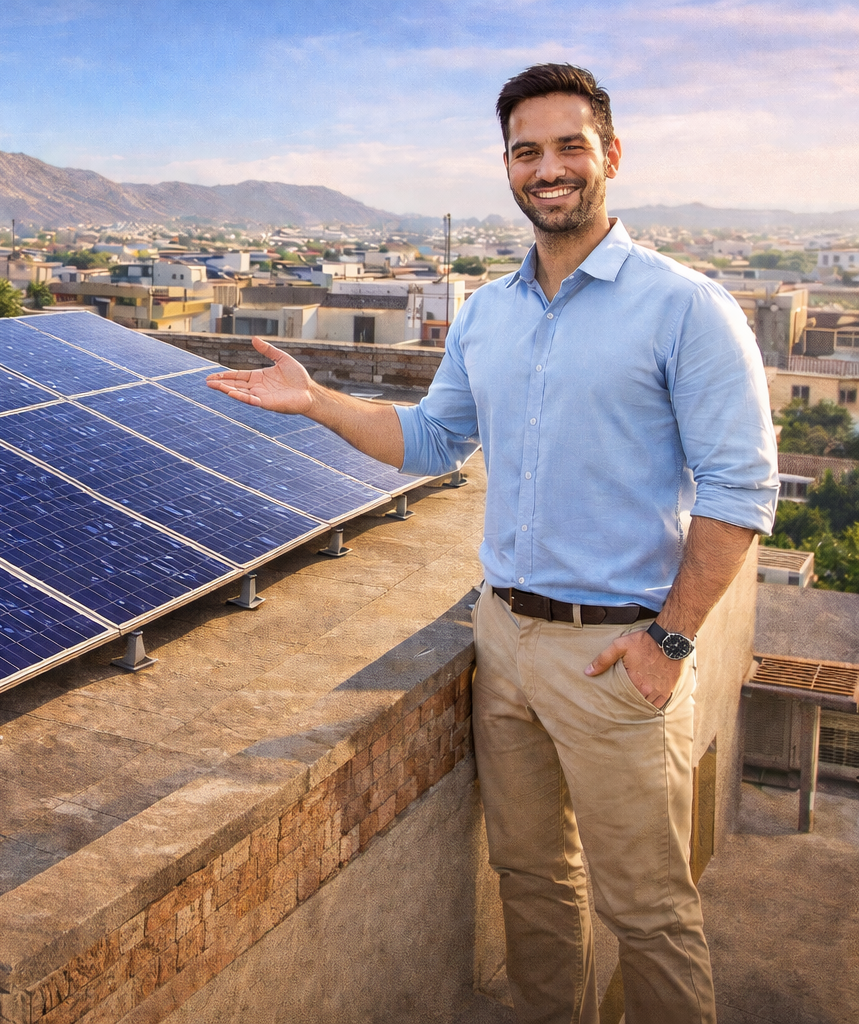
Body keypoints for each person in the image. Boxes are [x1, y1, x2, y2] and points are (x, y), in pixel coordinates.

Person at [207, 63, 777, 1024]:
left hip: (618, 650)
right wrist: (317, 402)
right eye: (526, 151)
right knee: (531, 881)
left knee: (649, 912)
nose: (546, 168)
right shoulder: (489, 313)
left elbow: (741, 489)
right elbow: (432, 441)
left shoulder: (685, 307)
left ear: (610, 156)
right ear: (507, 167)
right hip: (502, 640)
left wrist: (669, 640)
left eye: (568, 146)